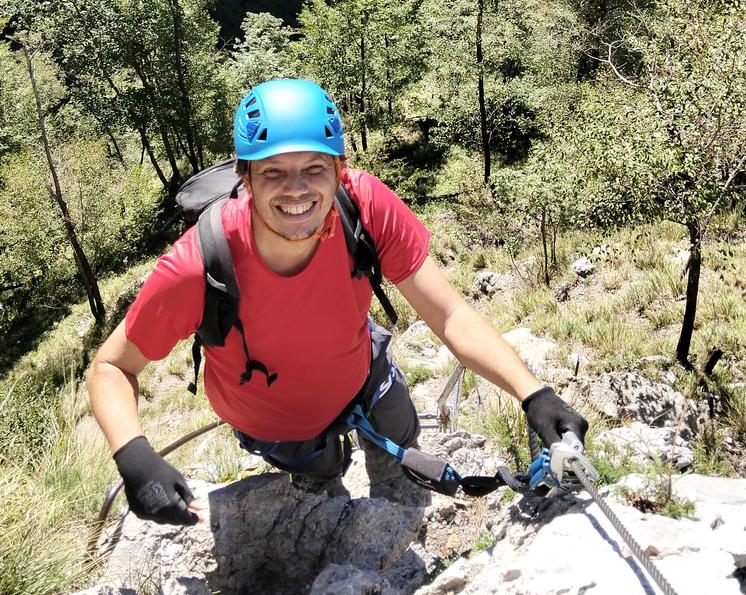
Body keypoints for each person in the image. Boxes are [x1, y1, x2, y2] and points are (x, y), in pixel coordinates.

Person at [87, 78, 588, 524]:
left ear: (339, 169)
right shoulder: (199, 264)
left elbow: (450, 313)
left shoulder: (363, 205)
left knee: (401, 463)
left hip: (365, 376)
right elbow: (111, 367)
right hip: (277, 424)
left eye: (314, 168)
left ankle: (405, 526)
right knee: (321, 487)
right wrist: (135, 456)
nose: (296, 190)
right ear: (245, 177)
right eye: (273, 172)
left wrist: (533, 394)